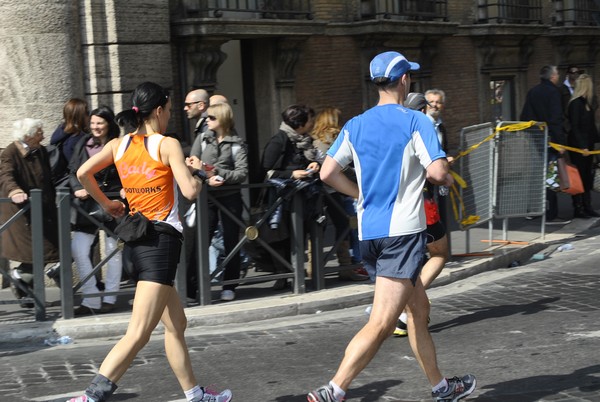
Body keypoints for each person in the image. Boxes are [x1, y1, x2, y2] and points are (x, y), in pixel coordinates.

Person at [307, 51, 476, 402]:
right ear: (404, 80)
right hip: (402, 233)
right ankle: (333, 390)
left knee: (419, 311)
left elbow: (326, 172)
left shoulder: (355, 124)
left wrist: (359, 195)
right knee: (383, 322)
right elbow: (439, 173)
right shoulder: (417, 121)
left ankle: (441, 387)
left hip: (370, 232)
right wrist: (440, 163)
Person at [67, 82, 232, 402]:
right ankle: (90, 396)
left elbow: (84, 173)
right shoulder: (167, 144)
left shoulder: (119, 144)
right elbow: (189, 192)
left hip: (137, 238)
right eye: (169, 111)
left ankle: (195, 394)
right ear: (158, 111)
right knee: (139, 331)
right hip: (161, 241)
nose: (170, 116)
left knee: (176, 324)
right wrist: (195, 172)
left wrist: (108, 204)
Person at [389, 92, 451, 337]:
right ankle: (405, 306)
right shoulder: (423, 127)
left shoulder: (389, 130)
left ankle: (398, 309)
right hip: (421, 202)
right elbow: (433, 171)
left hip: (391, 206)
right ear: (423, 110)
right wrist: (444, 168)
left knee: (407, 260)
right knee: (439, 253)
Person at [68, 106, 124, 316]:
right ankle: (91, 297)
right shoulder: (84, 143)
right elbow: (73, 171)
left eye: (99, 123)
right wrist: (77, 188)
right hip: (87, 205)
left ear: (109, 123)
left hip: (112, 201)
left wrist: (123, 189)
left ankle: (110, 297)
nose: (95, 127)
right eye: (92, 123)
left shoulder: (118, 144)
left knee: (112, 251)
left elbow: (126, 170)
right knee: (79, 248)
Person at [189, 102, 248, 301]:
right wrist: (206, 176)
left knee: (232, 241)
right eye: (207, 117)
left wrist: (218, 173)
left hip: (230, 197)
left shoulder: (236, 143)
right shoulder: (202, 138)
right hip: (207, 197)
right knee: (200, 241)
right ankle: (192, 287)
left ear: (222, 119)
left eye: (212, 117)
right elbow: (191, 163)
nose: (207, 120)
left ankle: (230, 285)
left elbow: (242, 173)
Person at [0, 118, 59, 308]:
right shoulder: (10, 152)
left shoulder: (40, 150)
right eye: (39, 132)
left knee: (49, 251)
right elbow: (6, 175)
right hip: (21, 213)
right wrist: (14, 191)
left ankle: (23, 282)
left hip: (42, 208)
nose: (42, 134)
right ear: (28, 135)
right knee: (35, 253)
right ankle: (26, 288)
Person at [261, 104, 321, 290]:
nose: (312, 123)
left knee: (299, 237)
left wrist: (313, 165)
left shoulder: (305, 140)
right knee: (280, 237)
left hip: (303, 197)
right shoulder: (279, 140)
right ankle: (283, 276)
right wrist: (291, 174)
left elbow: (310, 160)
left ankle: (297, 275)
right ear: (299, 123)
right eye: (309, 120)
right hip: (281, 199)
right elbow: (267, 169)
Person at [311, 107, 368, 281]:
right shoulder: (332, 140)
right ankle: (346, 266)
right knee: (346, 225)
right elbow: (341, 167)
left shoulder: (314, 141)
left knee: (316, 229)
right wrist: (358, 178)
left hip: (321, 192)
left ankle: (313, 269)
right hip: (334, 191)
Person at [520, 65, 571, 225]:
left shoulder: (533, 91)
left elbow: (524, 117)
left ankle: (532, 210)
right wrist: (559, 142)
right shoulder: (553, 92)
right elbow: (556, 119)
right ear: (553, 77)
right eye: (557, 74)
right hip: (550, 141)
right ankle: (551, 215)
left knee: (537, 175)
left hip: (536, 139)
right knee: (550, 176)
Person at [181, 88, 210, 298]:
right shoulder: (201, 127)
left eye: (188, 105)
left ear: (201, 105)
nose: (185, 109)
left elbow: (204, 161)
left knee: (200, 242)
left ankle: (196, 287)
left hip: (206, 193)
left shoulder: (207, 128)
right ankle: (194, 287)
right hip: (201, 192)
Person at [566, 73, 600, 218]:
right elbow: (575, 126)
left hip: (588, 144)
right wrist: (582, 146)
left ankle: (587, 205)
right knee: (579, 176)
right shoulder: (575, 104)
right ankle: (578, 208)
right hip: (579, 146)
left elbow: (591, 126)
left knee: (587, 176)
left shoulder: (587, 104)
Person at [50, 98, 90, 187]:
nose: (89, 116)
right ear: (80, 116)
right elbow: (77, 166)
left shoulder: (61, 133)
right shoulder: (77, 139)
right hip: (77, 186)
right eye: (87, 113)